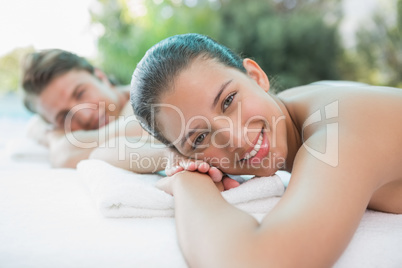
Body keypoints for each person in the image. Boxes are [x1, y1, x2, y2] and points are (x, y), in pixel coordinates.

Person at [131, 33, 402, 267]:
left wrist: (187, 181)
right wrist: (179, 159)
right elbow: (105, 152)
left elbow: (257, 263)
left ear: (256, 76)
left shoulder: (336, 134)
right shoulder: (293, 107)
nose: (235, 139)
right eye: (200, 137)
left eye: (228, 101)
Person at [21, 49, 167, 172]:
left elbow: (64, 153)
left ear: (101, 77)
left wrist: (55, 138)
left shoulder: (154, 94)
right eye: (65, 116)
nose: (85, 116)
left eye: (80, 94)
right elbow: (59, 150)